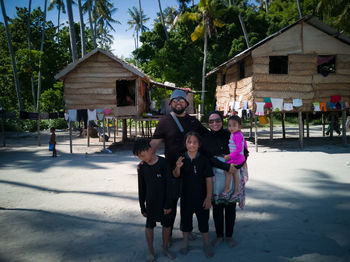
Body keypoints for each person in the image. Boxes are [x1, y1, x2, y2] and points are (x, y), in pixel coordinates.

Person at [150, 89, 208, 242]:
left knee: (190, 202)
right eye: (175, 101)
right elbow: (155, 142)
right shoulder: (164, 121)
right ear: (170, 104)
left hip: (192, 171)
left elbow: (207, 138)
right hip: (172, 170)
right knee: (171, 202)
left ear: (186, 104)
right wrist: (145, 160)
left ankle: (187, 232)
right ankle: (167, 236)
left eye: (181, 100)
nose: (178, 103)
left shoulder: (194, 122)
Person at [201, 111, 248, 248]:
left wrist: (236, 167)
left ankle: (229, 236)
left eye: (217, 120)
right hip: (217, 174)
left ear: (222, 121)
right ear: (208, 124)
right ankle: (219, 235)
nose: (214, 123)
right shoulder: (205, 138)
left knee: (230, 207)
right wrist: (225, 167)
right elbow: (207, 158)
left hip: (233, 171)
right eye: (211, 121)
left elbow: (244, 152)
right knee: (217, 207)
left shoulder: (232, 134)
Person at [133, 139, 176, 262]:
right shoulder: (142, 167)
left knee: (167, 225)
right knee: (149, 226)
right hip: (151, 202)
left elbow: (169, 184)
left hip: (165, 202)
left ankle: (165, 248)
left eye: (142, 155)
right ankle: (150, 251)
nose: (141, 159)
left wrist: (168, 203)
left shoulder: (163, 163)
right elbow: (141, 188)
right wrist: (142, 206)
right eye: (138, 157)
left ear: (150, 150)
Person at [173, 132, 214, 258]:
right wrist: (178, 167)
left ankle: (206, 244)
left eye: (195, 142)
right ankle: (185, 244)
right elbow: (175, 175)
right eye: (189, 142)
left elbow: (209, 179)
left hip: (202, 197)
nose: (192, 145)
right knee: (185, 222)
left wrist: (208, 197)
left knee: (203, 221)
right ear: (185, 144)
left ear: (199, 144)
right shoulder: (181, 158)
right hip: (186, 197)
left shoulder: (204, 159)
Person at [222, 115, 248, 200]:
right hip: (238, 157)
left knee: (228, 170)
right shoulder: (236, 133)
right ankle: (236, 191)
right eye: (229, 125)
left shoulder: (237, 135)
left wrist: (229, 156)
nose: (231, 127)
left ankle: (227, 189)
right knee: (236, 173)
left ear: (239, 126)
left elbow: (239, 149)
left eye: (234, 125)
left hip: (237, 157)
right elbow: (243, 144)